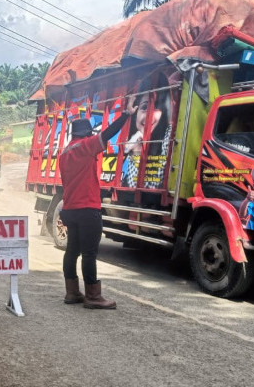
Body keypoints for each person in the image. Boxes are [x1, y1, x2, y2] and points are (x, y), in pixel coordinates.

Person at [59, 99, 137, 309]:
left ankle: (72, 292)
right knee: (89, 253)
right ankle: (93, 297)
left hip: (70, 208)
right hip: (87, 209)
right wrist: (126, 115)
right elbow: (107, 134)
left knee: (72, 251)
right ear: (86, 134)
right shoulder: (85, 146)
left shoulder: (64, 153)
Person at [122, 75, 173, 188]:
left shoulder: (169, 135)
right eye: (144, 107)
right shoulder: (133, 138)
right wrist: (136, 149)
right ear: (136, 113)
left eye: (156, 107)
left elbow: (152, 187)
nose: (148, 116)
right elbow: (132, 187)